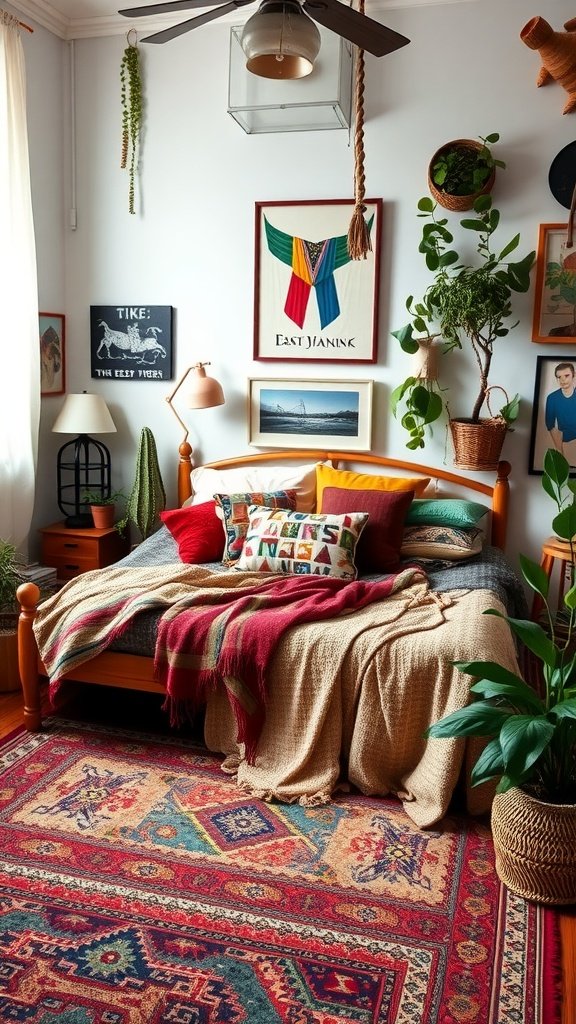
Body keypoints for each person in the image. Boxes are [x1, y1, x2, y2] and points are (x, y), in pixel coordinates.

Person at [545, 362, 576, 466]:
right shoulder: (552, 398)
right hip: (564, 440)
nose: (562, 380)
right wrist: (560, 450)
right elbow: (550, 424)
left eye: (566, 376)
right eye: (559, 377)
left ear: (574, 375)